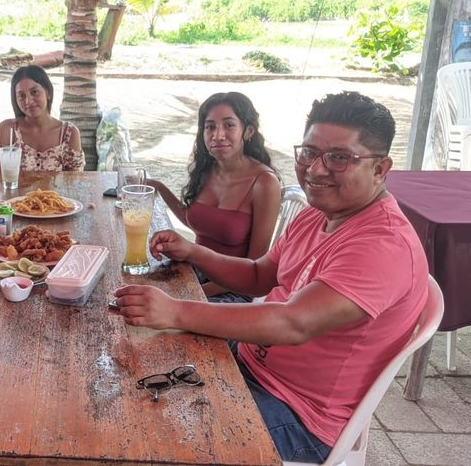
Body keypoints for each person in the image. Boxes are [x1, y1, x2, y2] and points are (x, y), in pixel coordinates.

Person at [114, 92, 429, 463]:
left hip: (298, 415)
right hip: (250, 364)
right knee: (126, 367)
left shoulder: (383, 245)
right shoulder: (318, 214)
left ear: (380, 168)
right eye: (309, 152)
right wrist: (194, 252)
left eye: (339, 158)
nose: (315, 170)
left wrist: (175, 311)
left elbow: (292, 323)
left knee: (144, 437)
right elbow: (260, 275)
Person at [146, 92, 281, 300]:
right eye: (210, 127)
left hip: (233, 288)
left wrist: (191, 293)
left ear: (248, 131)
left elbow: (255, 269)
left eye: (229, 125)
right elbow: (196, 221)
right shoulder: (207, 170)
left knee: (154, 311)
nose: (218, 135)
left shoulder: (264, 183)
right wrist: (159, 187)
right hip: (194, 272)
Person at [0, 65, 85, 172]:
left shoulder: (68, 134)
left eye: (34, 92)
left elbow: (75, 180)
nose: (28, 101)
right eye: (22, 96)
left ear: (48, 93)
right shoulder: (8, 130)